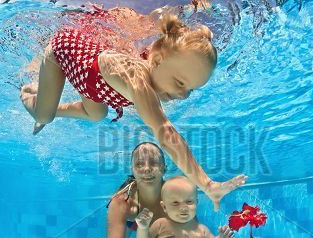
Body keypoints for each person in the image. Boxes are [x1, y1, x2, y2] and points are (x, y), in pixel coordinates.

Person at [21, 6, 247, 211]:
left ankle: (44, 97)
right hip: (63, 51)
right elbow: (166, 134)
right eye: (179, 82)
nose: (182, 94)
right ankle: (27, 92)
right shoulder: (137, 80)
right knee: (44, 115)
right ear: (157, 60)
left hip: (91, 86)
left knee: (97, 113)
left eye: (190, 90)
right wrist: (207, 184)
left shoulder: (148, 84)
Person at [107, 142, 208, 238]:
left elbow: (196, 233)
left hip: (163, 225)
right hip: (132, 222)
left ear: (164, 168)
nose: (147, 169)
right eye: (139, 164)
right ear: (132, 170)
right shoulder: (122, 202)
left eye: (153, 162)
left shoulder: (175, 194)